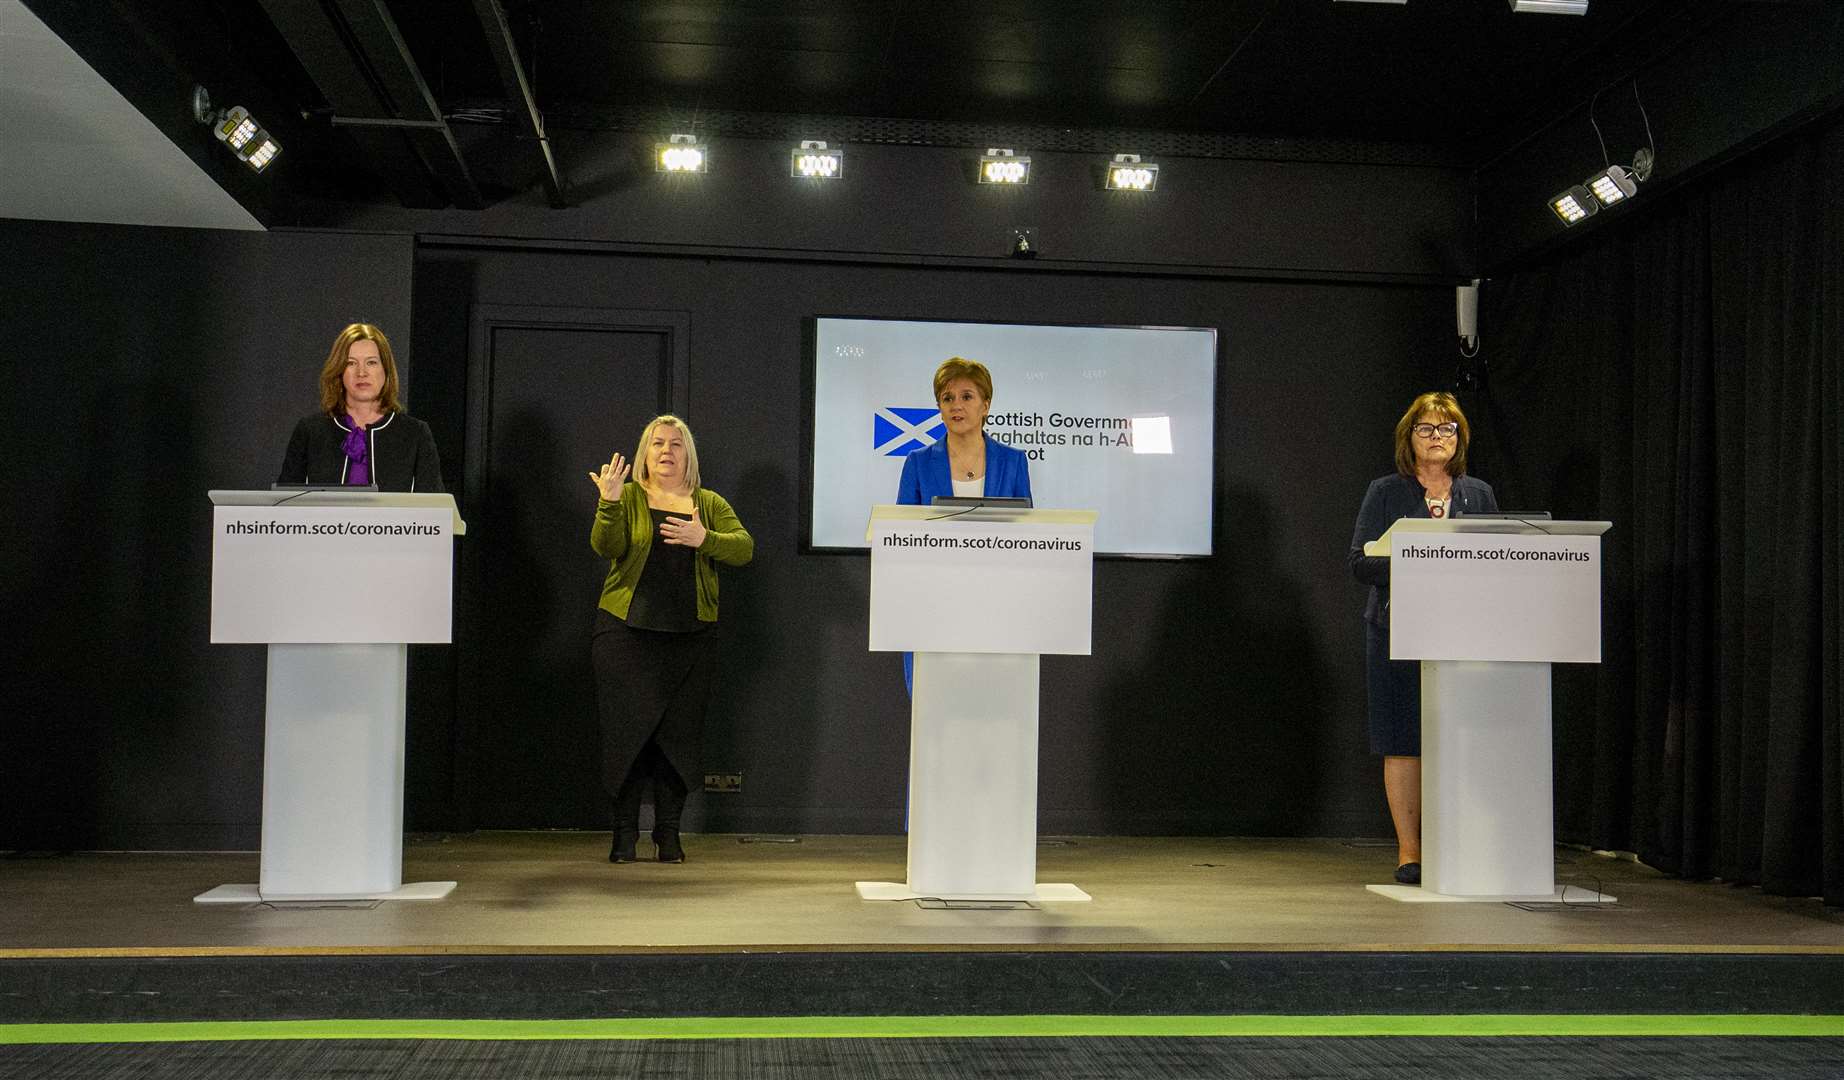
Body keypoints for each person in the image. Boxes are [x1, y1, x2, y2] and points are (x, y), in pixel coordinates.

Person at [1347, 391, 1498, 886]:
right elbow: (1360, 562)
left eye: (1447, 430)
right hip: (1396, 631)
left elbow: (1496, 558)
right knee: (1404, 741)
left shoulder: (1479, 493)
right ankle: (1410, 852)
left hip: (1464, 633)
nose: (1438, 438)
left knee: (1459, 740)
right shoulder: (1386, 491)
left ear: (1461, 439)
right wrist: (1420, 559)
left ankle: (1460, 845)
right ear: (1408, 438)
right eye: (1428, 429)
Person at [587, 415, 753, 864]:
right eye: (657, 443)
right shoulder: (630, 496)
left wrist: (704, 538)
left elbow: (743, 547)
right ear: (645, 451)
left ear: (688, 454)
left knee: (677, 739)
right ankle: (623, 834)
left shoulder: (709, 502)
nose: (666, 451)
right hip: (625, 635)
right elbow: (607, 547)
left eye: (675, 444)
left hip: (690, 638)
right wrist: (609, 503)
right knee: (627, 736)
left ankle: (668, 832)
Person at [894, 357, 1033, 693]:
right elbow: (898, 535)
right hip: (934, 603)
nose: (957, 406)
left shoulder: (1014, 462)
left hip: (997, 602)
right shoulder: (918, 463)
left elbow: (1030, 534)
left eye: (967, 397)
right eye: (947, 398)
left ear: (986, 405)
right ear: (939, 408)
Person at [277, 323, 444, 492]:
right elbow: (283, 505)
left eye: (371, 362)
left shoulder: (415, 433)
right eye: (351, 363)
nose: (361, 372)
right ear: (339, 370)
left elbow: (435, 510)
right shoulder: (310, 431)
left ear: (385, 370)